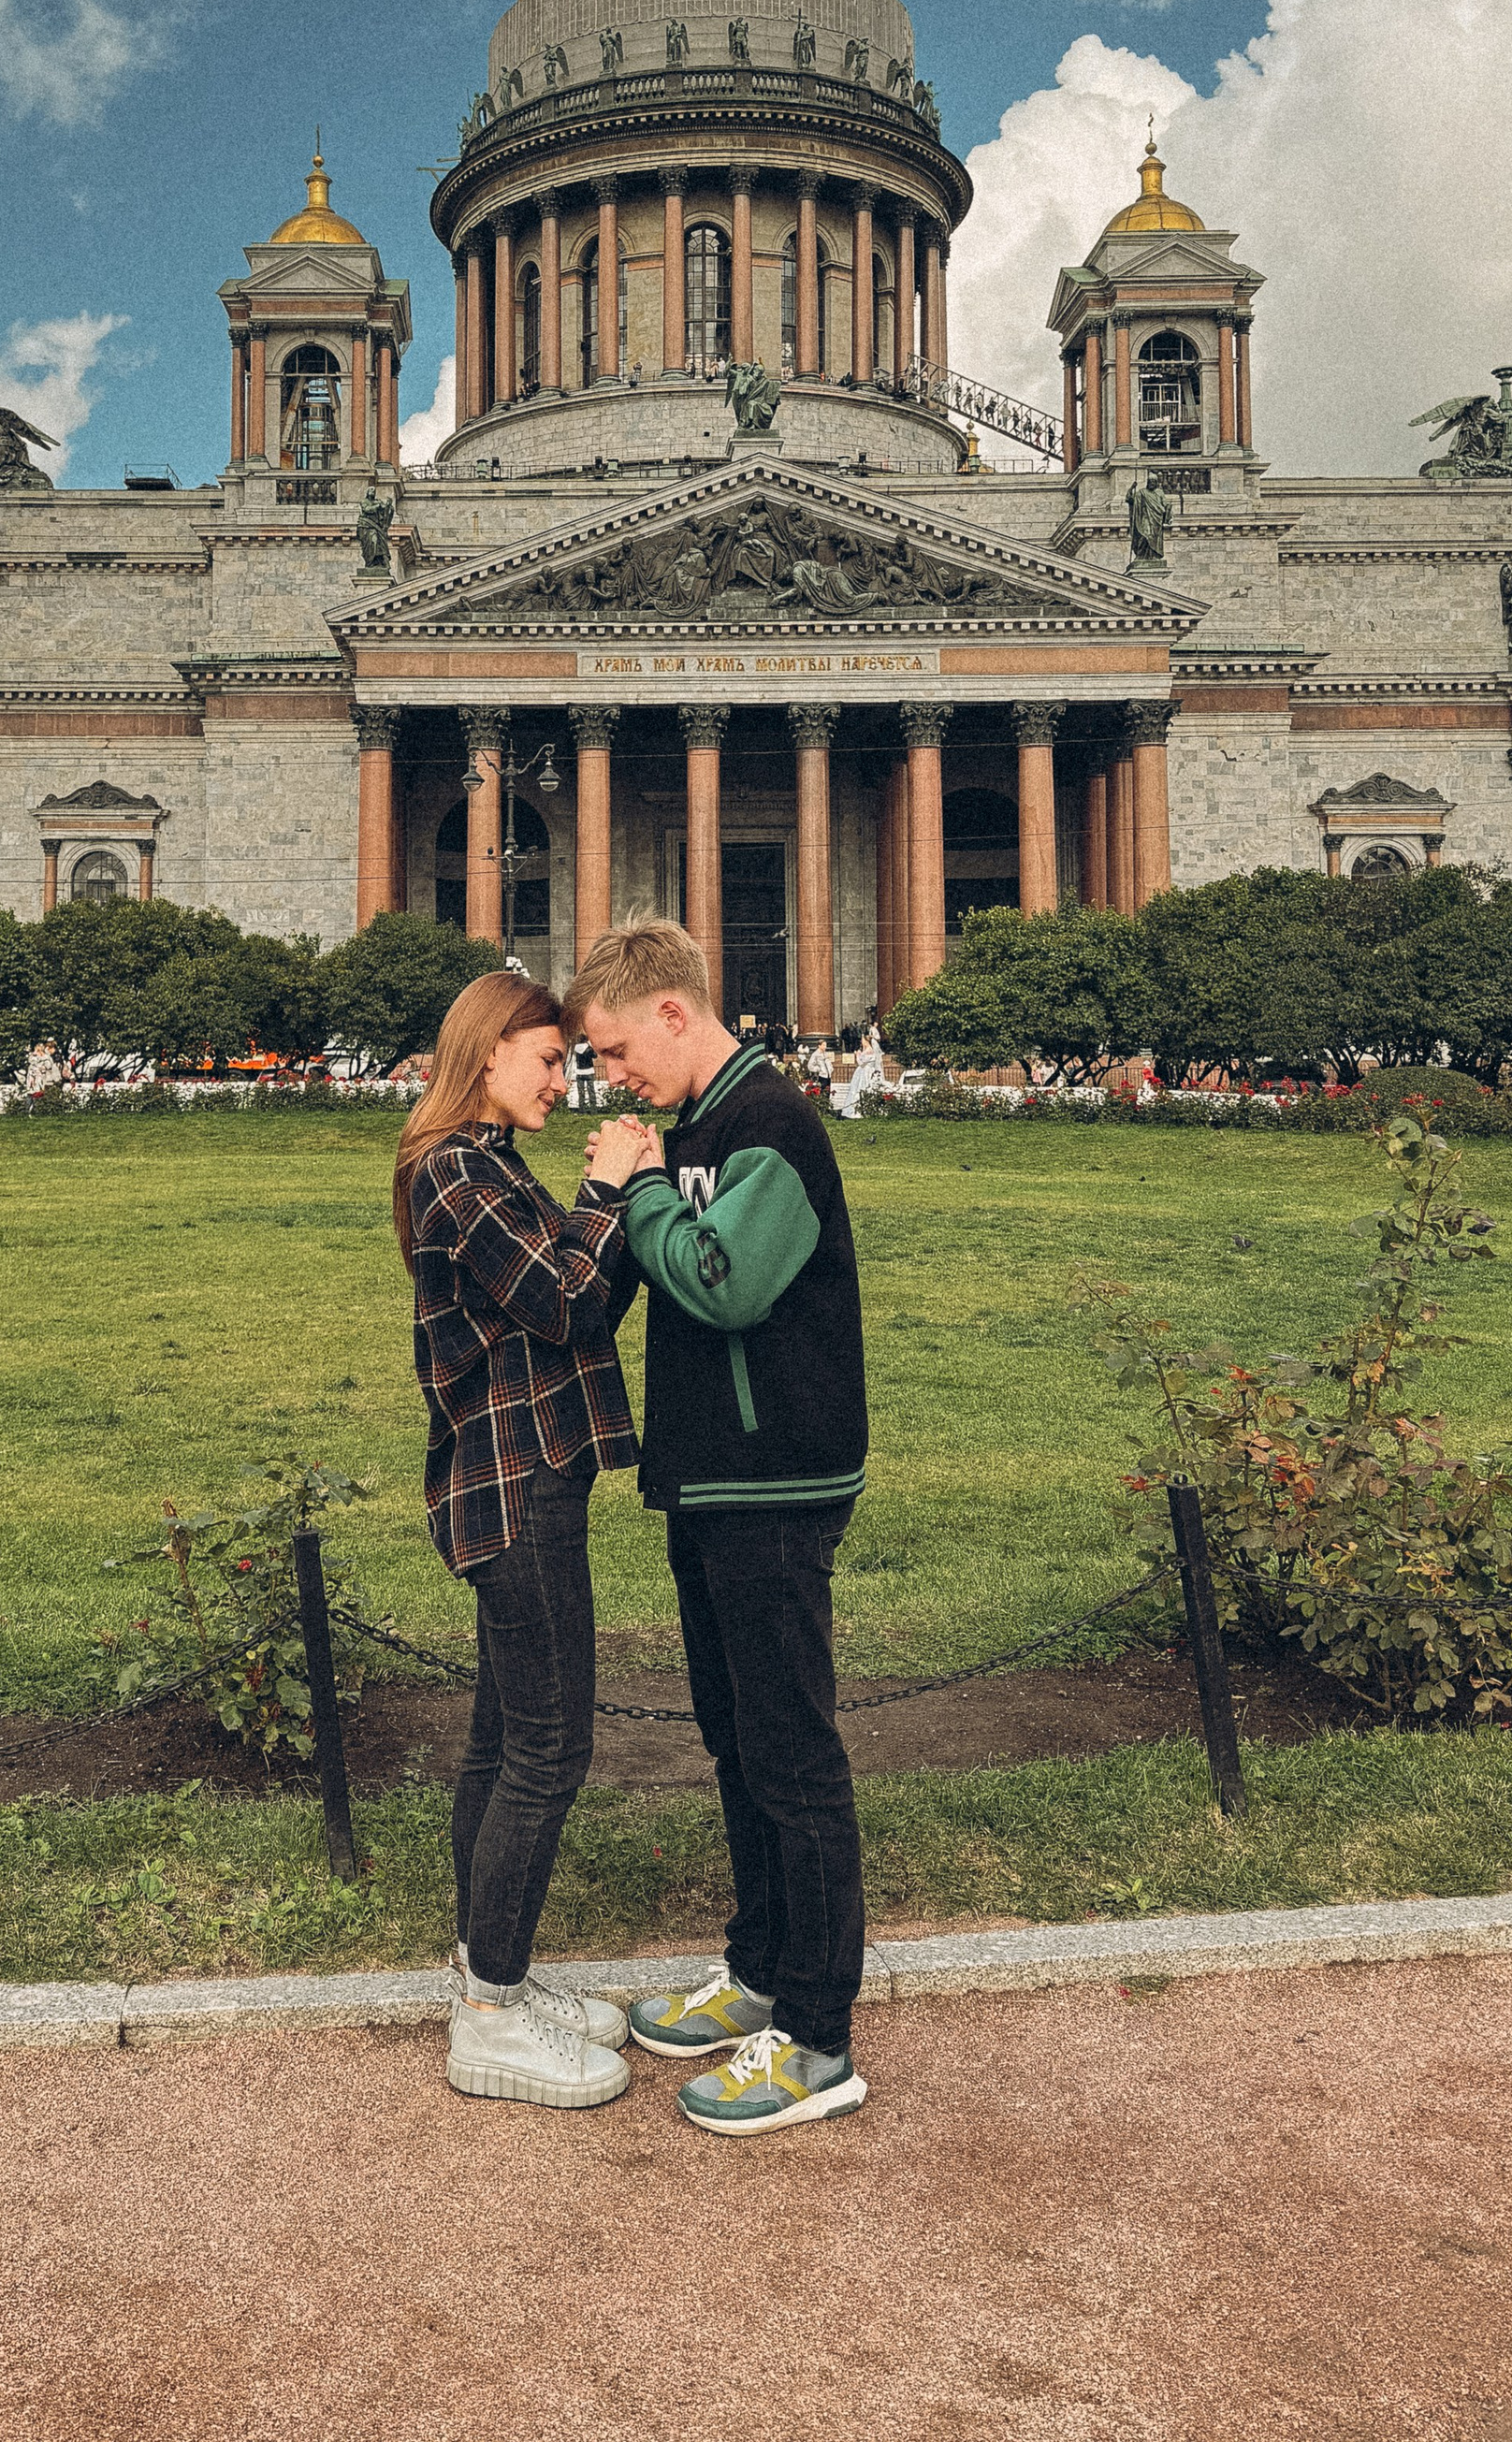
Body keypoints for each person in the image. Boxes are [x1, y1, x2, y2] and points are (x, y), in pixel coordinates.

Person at [566, 915, 871, 2138]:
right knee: (736, 1739)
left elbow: (725, 1281)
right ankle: (759, 1971)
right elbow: (613, 1285)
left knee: (792, 1751)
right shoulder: (687, 1134)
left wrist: (640, 1185)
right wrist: (610, 1191)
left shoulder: (771, 1126)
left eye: (618, 1049)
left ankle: (820, 2035)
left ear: (675, 1013)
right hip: (704, 1477)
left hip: (778, 1479)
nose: (611, 1075)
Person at [394, 970, 658, 2112]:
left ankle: (486, 1970)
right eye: (547, 1058)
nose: (564, 1076)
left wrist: (622, 1206)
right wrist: (608, 1187)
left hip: (518, 1475)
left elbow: (585, 1289)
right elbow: (568, 1302)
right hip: (517, 1486)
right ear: (486, 1053)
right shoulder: (459, 1168)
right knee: (549, 1749)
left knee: (502, 1745)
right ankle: (490, 2011)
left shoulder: (484, 1163)